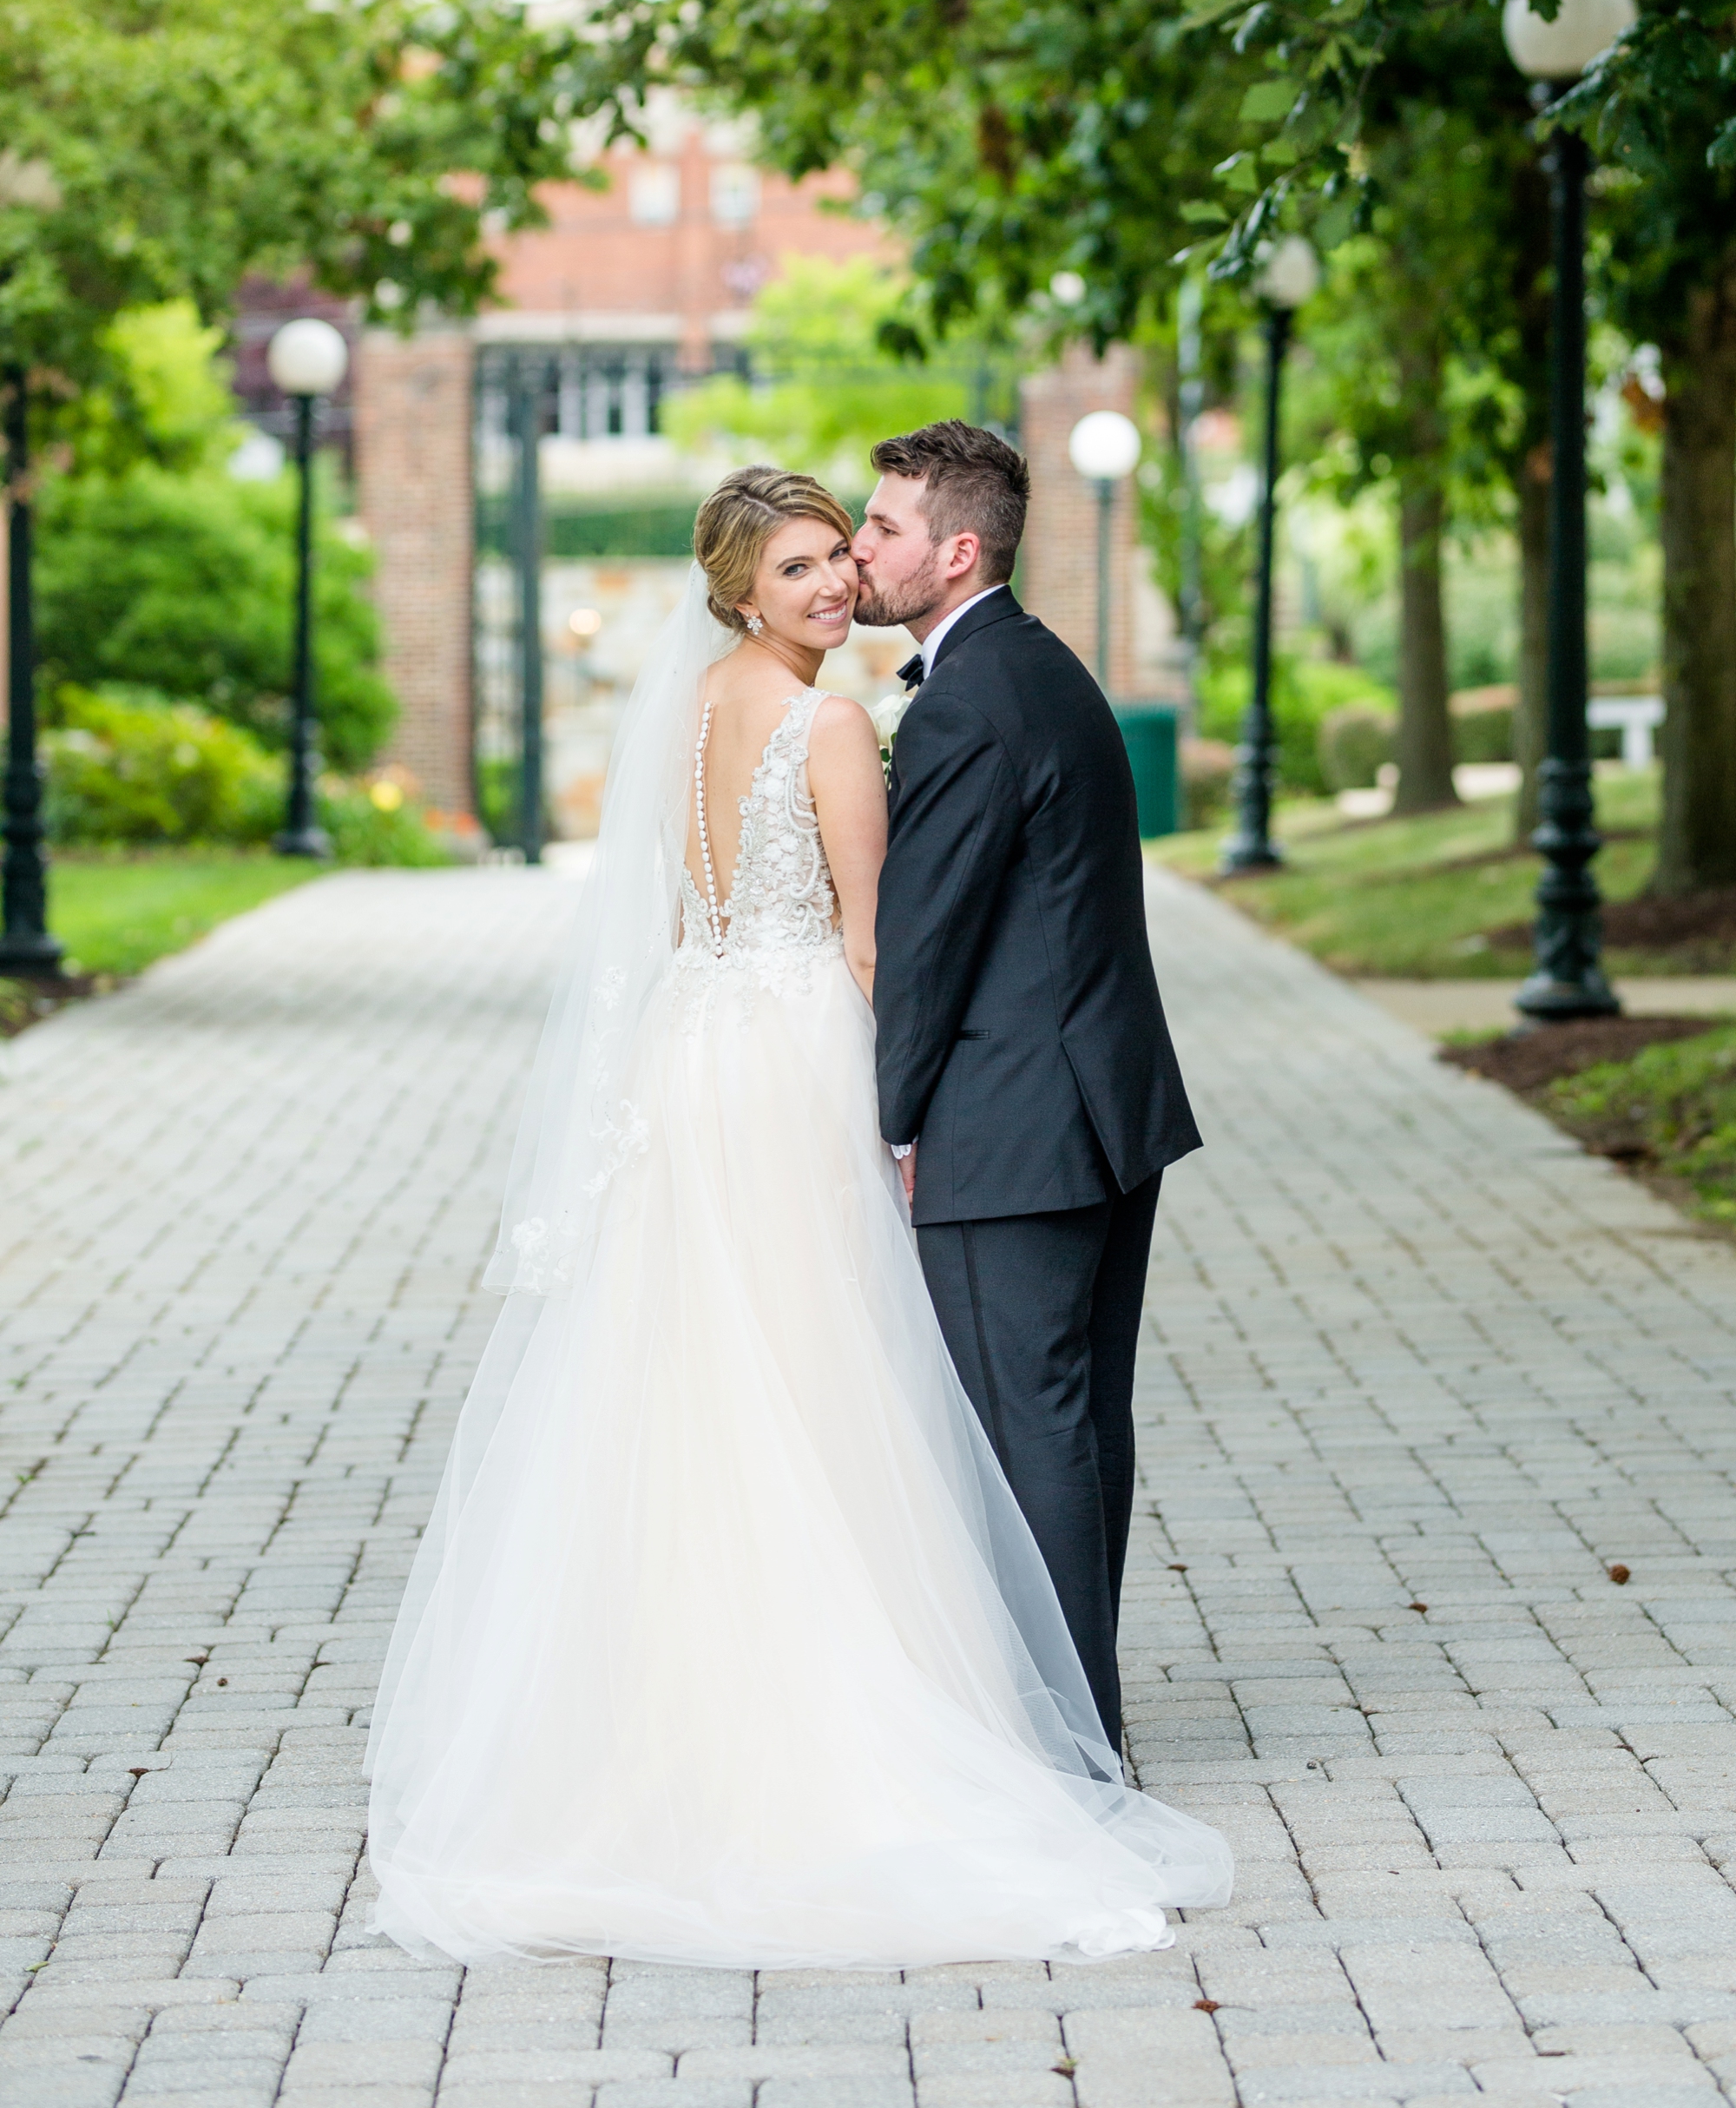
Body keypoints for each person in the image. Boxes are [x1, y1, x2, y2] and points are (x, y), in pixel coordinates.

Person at [365, 464, 1230, 1971]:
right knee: (834, 1384)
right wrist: (896, 1115)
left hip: (692, 1062)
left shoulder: (689, 711)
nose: (837, 586)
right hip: (793, 1068)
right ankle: (875, 1699)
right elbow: (879, 940)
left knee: (702, 1383)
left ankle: (681, 1705)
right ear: (740, 592)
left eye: (847, 555)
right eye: (806, 571)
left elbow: (688, 906)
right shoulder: (833, 723)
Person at [854, 422, 1200, 1749]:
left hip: (1013, 1132)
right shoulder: (1039, 667)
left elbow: (926, 943)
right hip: (1104, 1113)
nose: (863, 548)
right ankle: (1081, 1712)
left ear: (956, 548)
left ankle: (1065, 1736)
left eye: (883, 528)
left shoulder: (964, 704)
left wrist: (886, 1118)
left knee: (1027, 1428)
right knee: (1080, 1418)